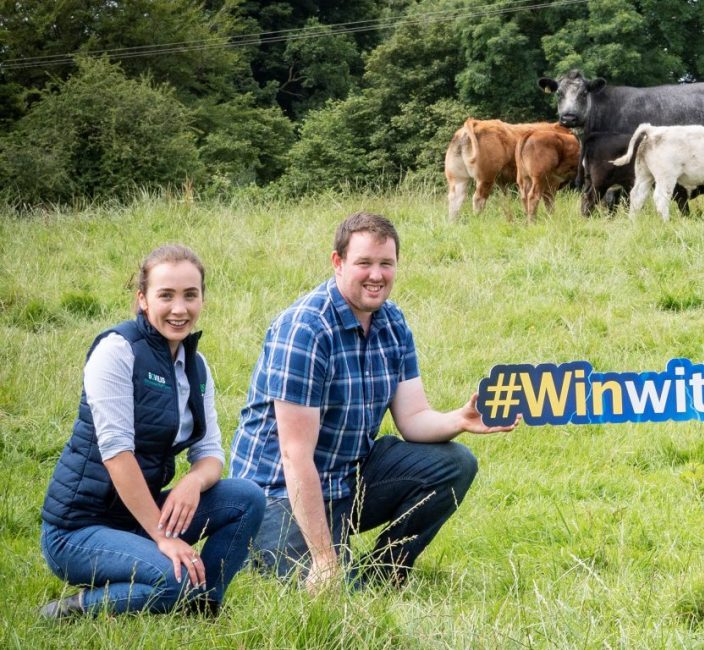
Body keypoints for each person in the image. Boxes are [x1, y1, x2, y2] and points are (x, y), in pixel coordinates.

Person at [231, 211, 517, 591]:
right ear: (338, 262)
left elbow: (413, 417)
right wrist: (323, 558)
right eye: (364, 263)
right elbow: (294, 456)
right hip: (279, 493)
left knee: (455, 463)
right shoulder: (305, 329)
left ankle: (384, 574)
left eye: (387, 264)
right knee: (335, 598)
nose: (377, 275)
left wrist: (460, 420)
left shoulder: (392, 321)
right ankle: (306, 556)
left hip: (347, 477)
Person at [39, 245, 266, 618]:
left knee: (247, 497)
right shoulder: (116, 350)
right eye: (166, 295)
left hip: (136, 519)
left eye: (190, 295)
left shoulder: (197, 366)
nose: (180, 309)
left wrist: (192, 482)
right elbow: (116, 454)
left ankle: (202, 606)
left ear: (202, 299)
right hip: (77, 530)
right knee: (175, 580)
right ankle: (71, 610)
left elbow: (211, 454)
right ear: (142, 299)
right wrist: (164, 538)